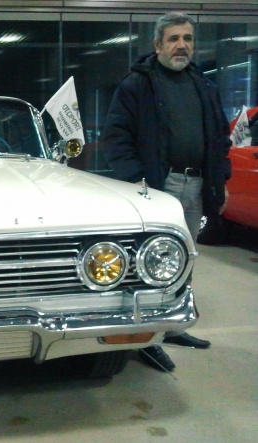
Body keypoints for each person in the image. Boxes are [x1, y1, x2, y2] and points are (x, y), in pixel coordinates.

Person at [103, 12, 232, 372]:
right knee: (149, 265)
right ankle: (147, 340)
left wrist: (220, 180)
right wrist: (135, 179)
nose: (182, 45)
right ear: (158, 44)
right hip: (159, 187)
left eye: (187, 38)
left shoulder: (203, 85)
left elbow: (220, 137)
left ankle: (172, 327)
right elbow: (116, 137)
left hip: (196, 184)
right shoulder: (137, 85)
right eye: (174, 38)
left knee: (182, 261)